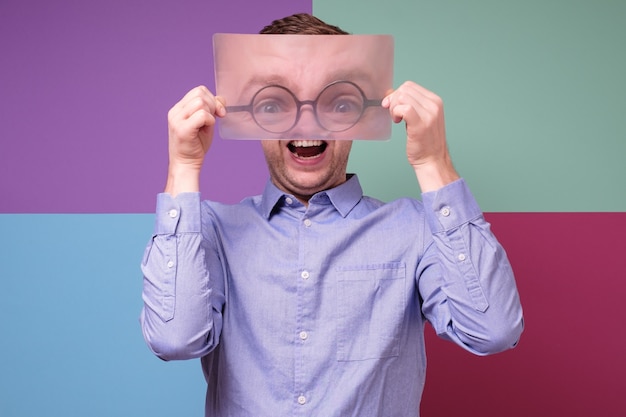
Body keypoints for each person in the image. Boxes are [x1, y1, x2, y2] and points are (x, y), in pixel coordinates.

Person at [140, 13, 523, 417]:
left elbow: (492, 331)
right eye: (275, 103)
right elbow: (175, 339)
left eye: (335, 102)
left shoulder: (416, 230)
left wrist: (434, 160)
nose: (307, 120)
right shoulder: (213, 231)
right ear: (252, 115)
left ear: (359, 114)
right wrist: (183, 166)